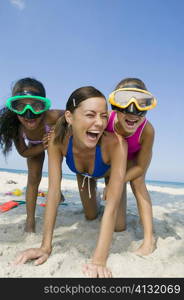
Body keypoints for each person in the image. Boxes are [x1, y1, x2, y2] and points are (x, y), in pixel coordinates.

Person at [14, 86, 128, 278]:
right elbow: (53, 192)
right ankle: (95, 199)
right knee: (91, 216)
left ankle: (104, 191)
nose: (99, 123)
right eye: (90, 115)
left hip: (108, 174)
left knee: (118, 225)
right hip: (83, 175)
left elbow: (112, 206)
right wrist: (45, 246)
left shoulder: (117, 144)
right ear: (69, 117)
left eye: (103, 116)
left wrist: (99, 260)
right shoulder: (57, 141)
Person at [0, 77, 64, 233]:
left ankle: (57, 190)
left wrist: (58, 131)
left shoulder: (52, 116)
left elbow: (72, 115)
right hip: (35, 146)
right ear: (13, 108)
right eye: (20, 106)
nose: (28, 113)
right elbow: (23, 152)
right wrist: (43, 145)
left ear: (44, 106)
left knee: (55, 170)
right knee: (33, 178)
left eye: (36, 106)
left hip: (54, 140)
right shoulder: (15, 126)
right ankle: (30, 220)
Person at [105, 77, 157, 255]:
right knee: (118, 226)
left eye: (142, 104)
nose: (133, 111)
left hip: (134, 165)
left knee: (139, 182)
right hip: (113, 164)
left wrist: (117, 183)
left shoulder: (147, 130)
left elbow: (141, 167)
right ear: (114, 104)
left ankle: (149, 240)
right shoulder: (107, 120)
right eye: (125, 102)